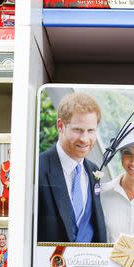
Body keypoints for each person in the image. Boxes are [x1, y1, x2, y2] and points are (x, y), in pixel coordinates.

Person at [37, 92, 107, 243]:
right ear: (60, 125)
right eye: (78, 130)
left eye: (91, 131)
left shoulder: (94, 170)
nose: (85, 139)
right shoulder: (37, 168)